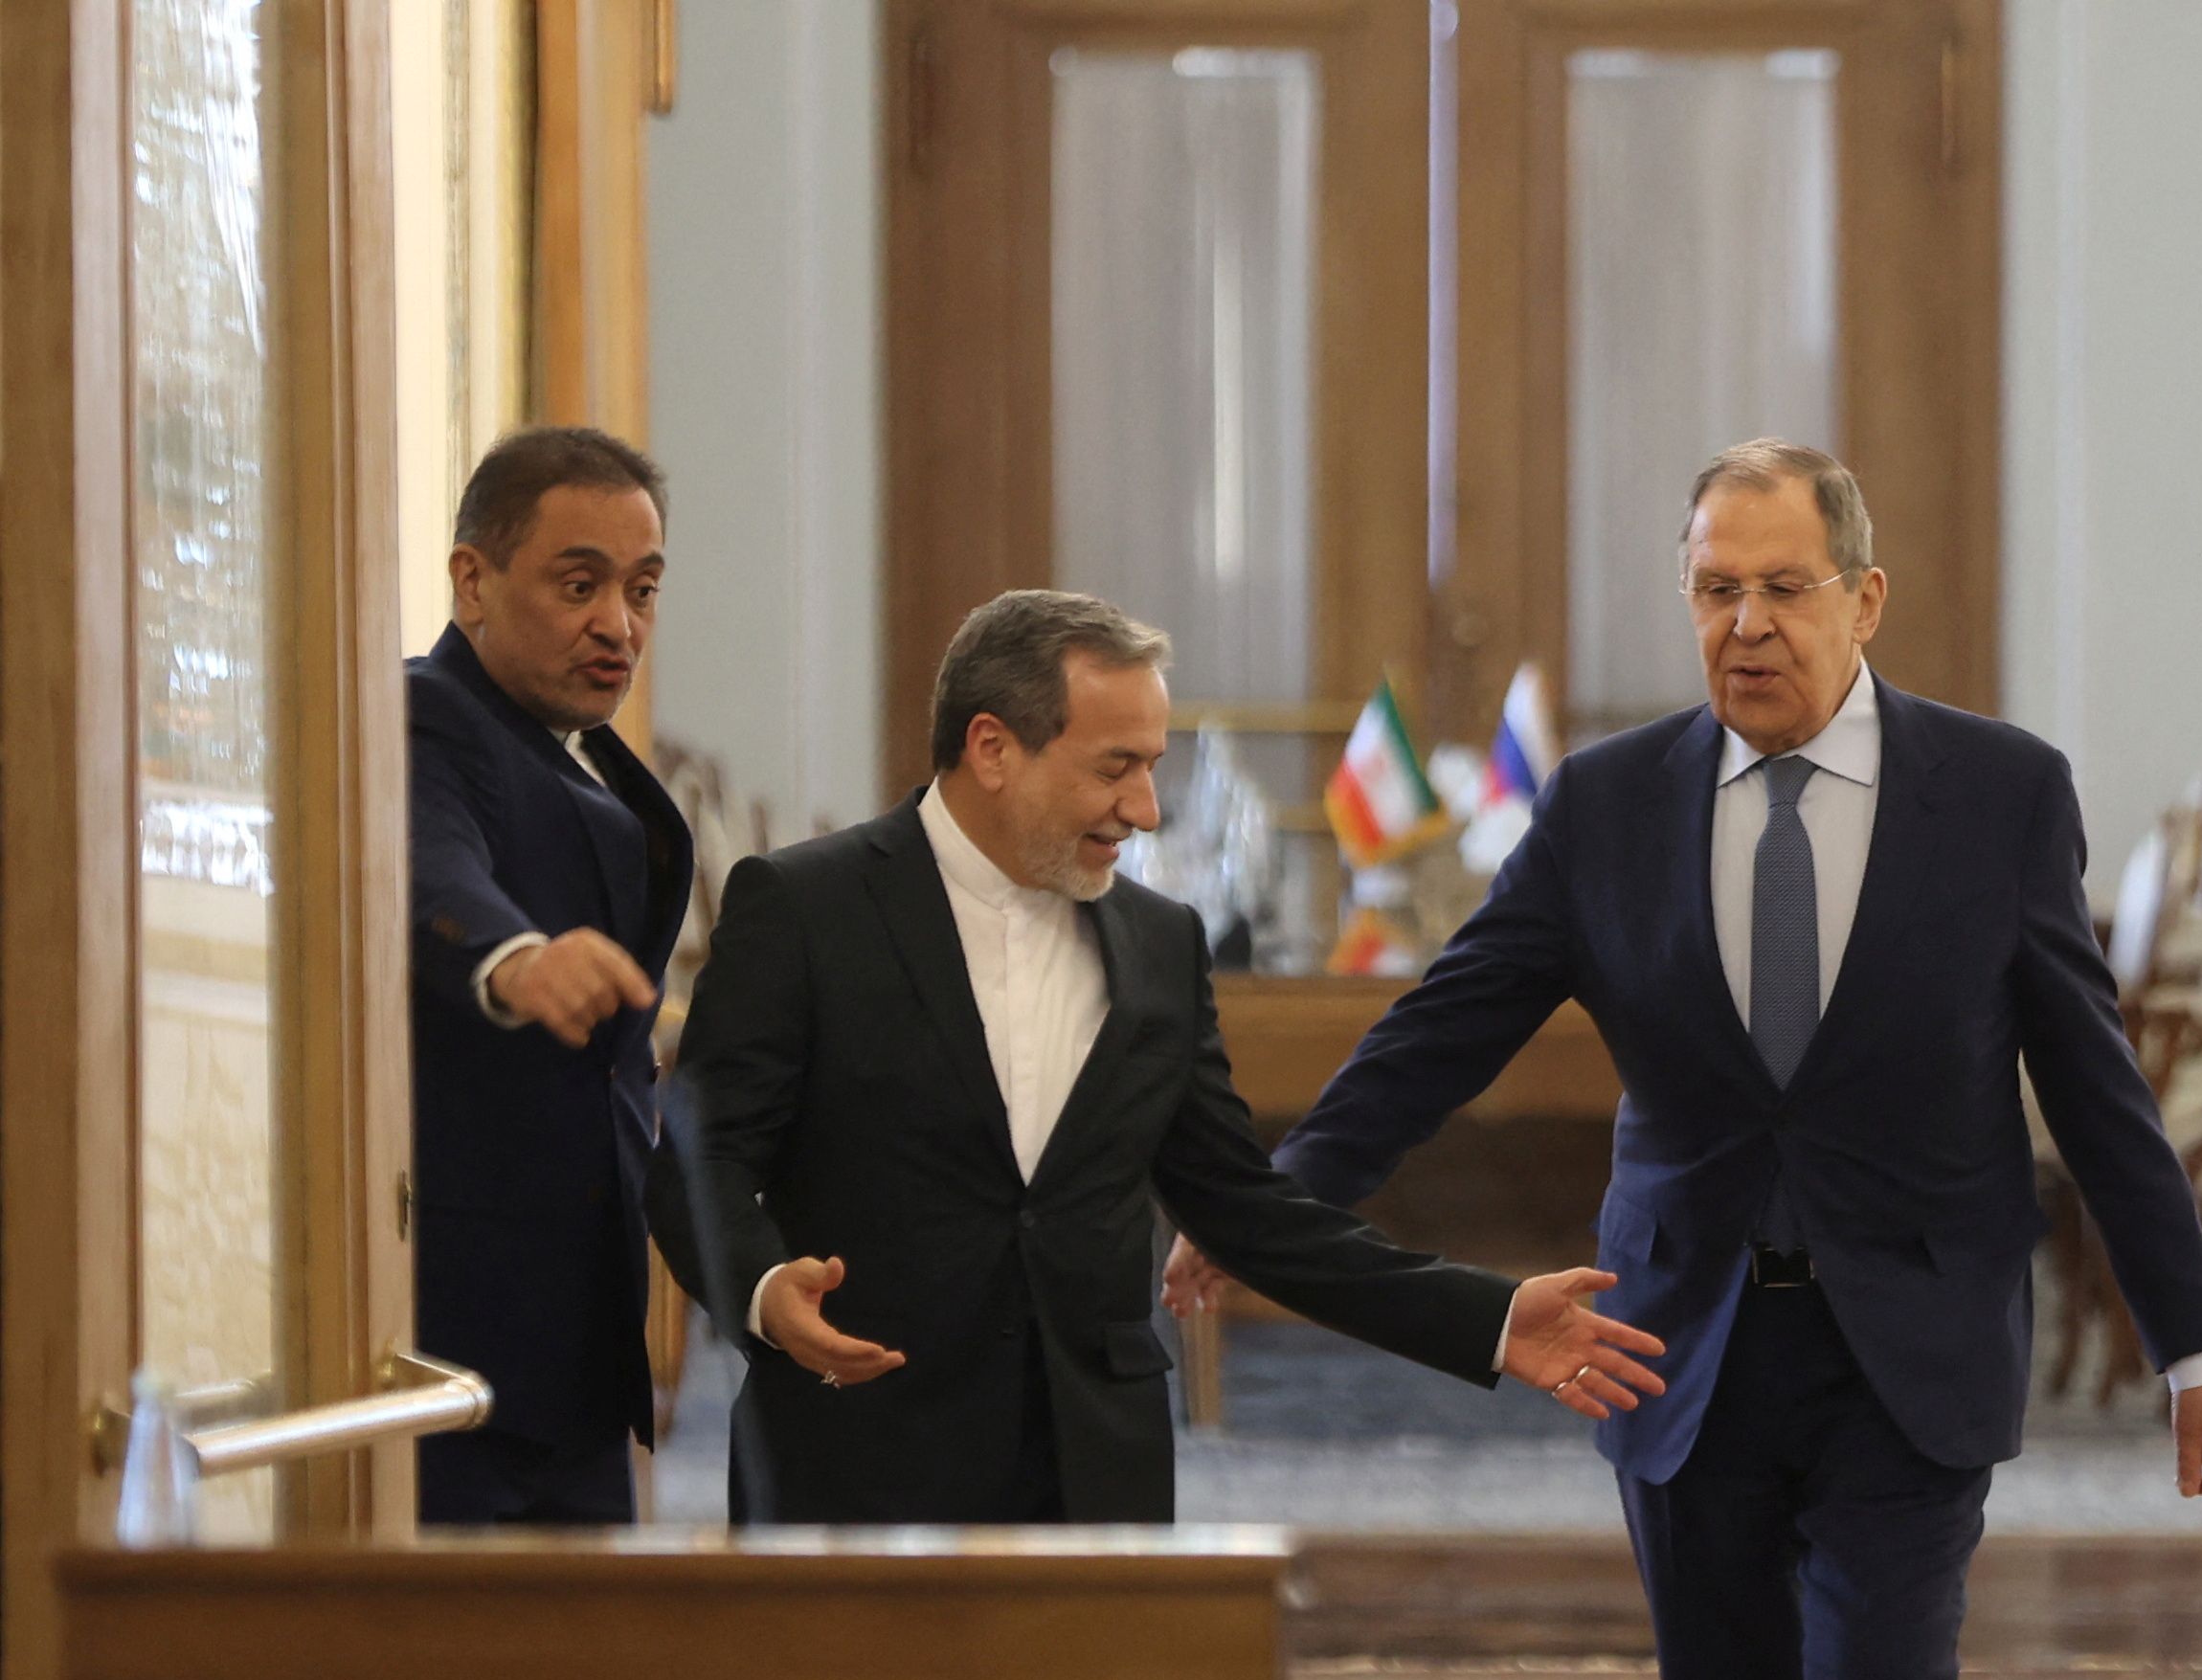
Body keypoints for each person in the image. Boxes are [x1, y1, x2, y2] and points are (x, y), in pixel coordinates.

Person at [1201, 442, 2202, 1680]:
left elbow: (2087, 1079)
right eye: (1709, 589)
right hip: (1673, 1353)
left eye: (1777, 587)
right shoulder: (1607, 807)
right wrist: (1266, 1217)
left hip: (1905, 1353)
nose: (1741, 624)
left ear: (1863, 598)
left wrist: (2197, 1342)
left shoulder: (1994, 796)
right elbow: (1438, 1028)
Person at [649, 589, 1664, 1524]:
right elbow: (701, 1159)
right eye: (1114, 766)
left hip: (1097, 1469)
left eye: (1152, 766)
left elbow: (1248, 1212)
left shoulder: (1159, 942)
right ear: (993, 748)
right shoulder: (802, 908)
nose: (1144, 809)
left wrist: (1487, 1319)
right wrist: (762, 1289)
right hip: (851, 1453)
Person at [407, 427, 696, 1525]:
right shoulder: (429, 716)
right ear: (472, 580)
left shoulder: (587, 755)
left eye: (642, 589)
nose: (618, 625)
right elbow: (422, 860)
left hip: (581, 1332)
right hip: (467, 1348)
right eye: (579, 584)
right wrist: (514, 958)